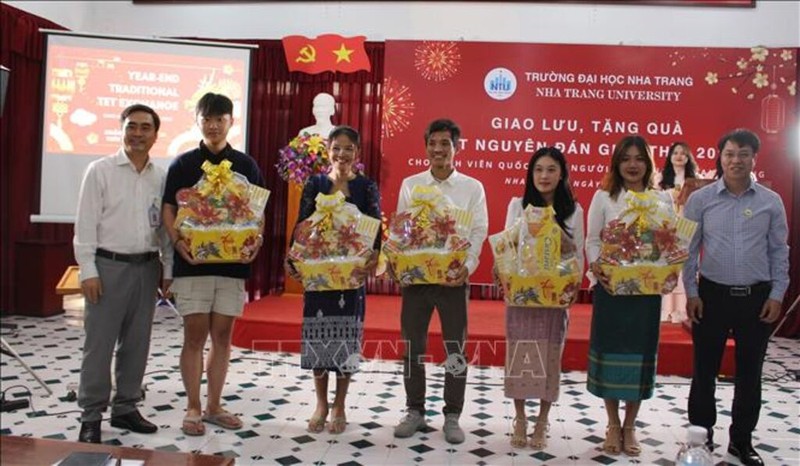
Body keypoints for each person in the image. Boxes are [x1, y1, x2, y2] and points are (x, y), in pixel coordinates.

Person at [683, 129, 789, 466]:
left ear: (754, 158)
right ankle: (702, 439)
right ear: (720, 156)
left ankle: (741, 442)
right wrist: (691, 292)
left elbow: (779, 252)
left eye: (743, 154)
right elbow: (687, 251)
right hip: (711, 296)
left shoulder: (771, 202)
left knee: (750, 373)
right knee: (704, 371)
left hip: (756, 299)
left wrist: (777, 294)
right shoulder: (701, 199)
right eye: (729, 153)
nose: (736, 160)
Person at [162, 93, 266, 436]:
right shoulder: (183, 164)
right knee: (194, 337)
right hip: (192, 265)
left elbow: (258, 213)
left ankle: (214, 405)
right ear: (198, 121)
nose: (214, 124)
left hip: (232, 266)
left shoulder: (247, 166)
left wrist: (256, 242)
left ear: (231, 122)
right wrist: (177, 242)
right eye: (207, 118)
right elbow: (168, 210)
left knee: (223, 337)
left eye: (220, 118)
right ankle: (193, 406)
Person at [73, 104, 173, 443]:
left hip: (147, 269)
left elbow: (164, 230)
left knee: (136, 344)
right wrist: (88, 269)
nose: (138, 134)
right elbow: (85, 224)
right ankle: (90, 416)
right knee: (98, 346)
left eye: (146, 128)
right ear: (121, 129)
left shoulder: (161, 177)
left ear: (156, 135)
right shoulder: (99, 171)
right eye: (132, 126)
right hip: (107, 267)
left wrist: (168, 271)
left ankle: (126, 408)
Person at [391, 119, 488, 445]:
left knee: (455, 348)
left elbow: (478, 231)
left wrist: (468, 266)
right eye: (432, 143)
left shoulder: (472, 188)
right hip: (417, 280)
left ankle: (452, 415)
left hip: (452, 280)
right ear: (426, 146)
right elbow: (401, 229)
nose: (438, 149)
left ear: (456, 147)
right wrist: (397, 260)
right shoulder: (411, 184)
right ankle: (415, 411)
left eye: (445, 143)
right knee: (411, 346)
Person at [284, 125, 381, 434]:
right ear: (328, 151)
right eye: (337, 148)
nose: (342, 154)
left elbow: (375, 228)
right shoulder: (315, 183)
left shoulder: (366, 187)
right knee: (318, 340)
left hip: (350, 278)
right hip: (319, 276)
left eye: (349, 148)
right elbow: (301, 224)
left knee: (346, 340)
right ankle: (321, 404)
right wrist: (292, 257)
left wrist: (372, 259)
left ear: (358, 153)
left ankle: (340, 404)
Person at [585, 135, 674, 457]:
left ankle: (630, 426)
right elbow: (592, 241)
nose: (633, 165)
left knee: (638, 358)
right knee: (611, 354)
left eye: (639, 158)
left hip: (646, 293)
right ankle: (611, 424)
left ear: (648, 163)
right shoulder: (605, 198)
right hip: (612, 291)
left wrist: (665, 272)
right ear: (617, 163)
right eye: (626, 159)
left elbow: (668, 244)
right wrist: (599, 271)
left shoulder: (662, 200)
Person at [502, 147, 584, 450]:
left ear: (561, 173)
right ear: (530, 174)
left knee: (550, 358)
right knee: (521, 357)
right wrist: (506, 279)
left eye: (551, 169)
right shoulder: (517, 205)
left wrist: (555, 230)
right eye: (538, 169)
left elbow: (577, 254)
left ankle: (542, 420)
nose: (544, 176)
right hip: (522, 295)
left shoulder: (574, 210)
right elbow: (507, 248)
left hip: (553, 297)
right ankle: (520, 417)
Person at [658, 142, 699, 323]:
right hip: (666, 226)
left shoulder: (695, 178)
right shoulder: (659, 177)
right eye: (675, 153)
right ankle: (666, 309)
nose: (679, 156)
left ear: (688, 157)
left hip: (687, 225)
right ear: (670, 156)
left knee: (685, 265)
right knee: (666, 265)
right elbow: (654, 201)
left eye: (683, 153)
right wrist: (669, 195)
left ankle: (682, 310)